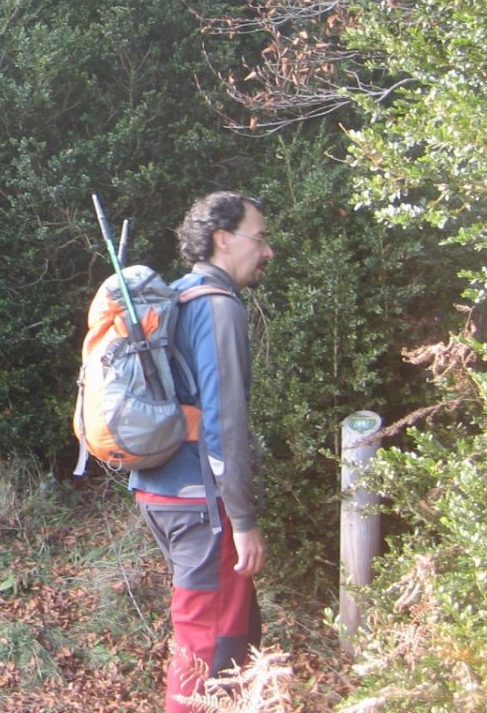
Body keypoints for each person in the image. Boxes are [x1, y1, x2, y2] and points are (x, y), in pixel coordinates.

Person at [131, 191, 272, 711]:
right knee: (208, 645)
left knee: (230, 634)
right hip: (203, 503)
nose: (268, 251)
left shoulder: (178, 296)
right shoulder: (217, 308)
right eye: (261, 238)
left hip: (161, 490)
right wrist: (244, 518)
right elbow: (224, 423)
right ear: (223, 239)